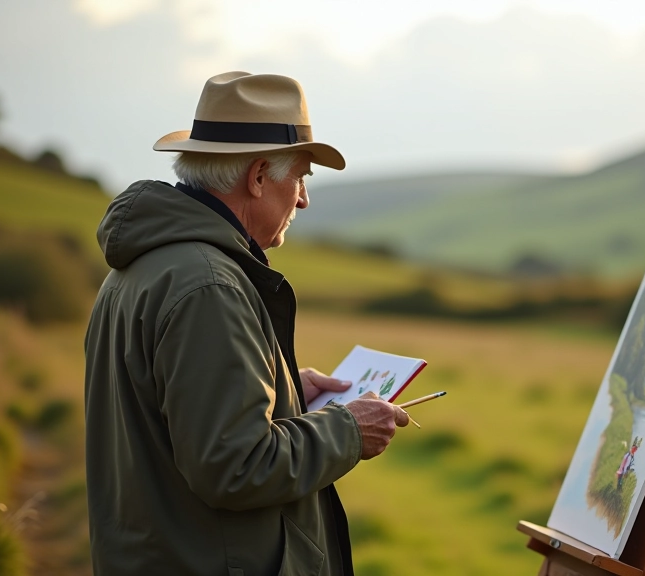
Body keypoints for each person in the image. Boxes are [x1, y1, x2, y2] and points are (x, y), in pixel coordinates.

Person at [84, 72, 409, 576]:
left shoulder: (144, 267)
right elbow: (235, 467)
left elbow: (178, 417)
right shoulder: (210, 286)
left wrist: (282, 391)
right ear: (258, 177)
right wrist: (349, 429)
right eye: (300, 177)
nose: (303, 199)